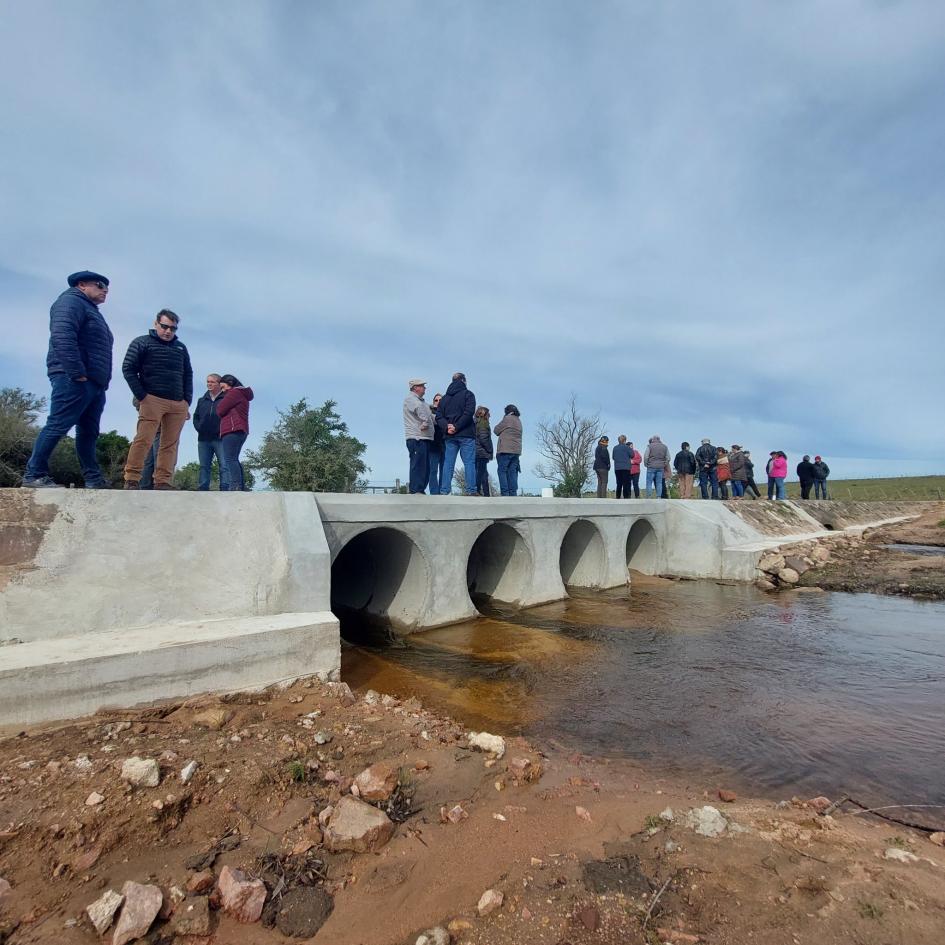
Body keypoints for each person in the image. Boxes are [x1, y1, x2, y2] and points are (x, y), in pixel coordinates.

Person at [22, 271, 114, 488]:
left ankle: (93, 479)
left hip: (94, 382)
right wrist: (76, 372)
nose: (105, 291)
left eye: (107, 288)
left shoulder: (91, 309)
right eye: (100, 285)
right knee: (58, 424)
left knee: (88, 432)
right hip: (73, 377)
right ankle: (34, 474)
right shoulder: (70, 302)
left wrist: (102, 381)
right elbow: (62, 335)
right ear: (81, 284)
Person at [122, 309, 193, 489]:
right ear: (156, 324)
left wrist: (187, 401)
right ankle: (132, 478)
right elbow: (128, 368)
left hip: (177, 403)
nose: (168, 331)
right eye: (165, 326)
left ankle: (163, 481)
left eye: (173, 328)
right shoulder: (141, 342)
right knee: (144, 439)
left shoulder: (181, 348)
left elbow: (188, 374)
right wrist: (142, 396)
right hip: (151, 399)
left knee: (170, 444)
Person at [437, 372, 477, 495]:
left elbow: (439, 416)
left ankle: (444, 491)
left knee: (448, 462)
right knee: (469, 462)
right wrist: (457, 426)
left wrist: (447, 427)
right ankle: (471, 490)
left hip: (450, 435)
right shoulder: (468, 395)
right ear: (464, 381)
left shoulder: (444, 399)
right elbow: (469, 412)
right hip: (466, 433)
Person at [216, 374, 253, 491]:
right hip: (241, 430)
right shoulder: (242, 394)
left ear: (230, 384)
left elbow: (220, 409)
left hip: (232, 429)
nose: (222, 391)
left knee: (230, 459)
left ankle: (235, 485)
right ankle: (240, 485)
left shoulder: (234, 393)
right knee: (234, 458)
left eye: (223, 387)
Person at [193, 373, 228, 491]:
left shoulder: (226, 399)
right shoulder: (202, 400)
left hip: (220, 438)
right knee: (204, 466)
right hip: (203, 439)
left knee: (224, 465)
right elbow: (196, 417)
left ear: (219, 384)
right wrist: (200, 428)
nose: (209, 384)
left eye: (212, 382)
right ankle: (203, 488)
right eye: (208, 381)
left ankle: (225, 489)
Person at [403, 379, 433, 494]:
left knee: (425, 466)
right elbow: (419, 410)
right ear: (415, 388)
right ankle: (415, 489)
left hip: (424, 438)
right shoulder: (411, 399)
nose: (425, 388)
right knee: (418, 463)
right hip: (416, 437)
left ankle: (420, 489)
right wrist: (425, 422)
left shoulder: (422, 402)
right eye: (422, 386)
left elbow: (430, 416)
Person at [493, 404, 522, 497]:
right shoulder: (519, 421)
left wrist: (504, 417)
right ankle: (513, 493)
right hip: (516, 451)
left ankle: (505, 493)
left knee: (502, 471)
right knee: (512, 472)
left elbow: (496, 430)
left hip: (505, 450)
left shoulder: (507, 419)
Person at [474, 406, 494, 496]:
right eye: (488, 413)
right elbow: (484, 438)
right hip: (482, 452)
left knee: (481, 472)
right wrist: (489, 450)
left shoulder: (474, 422)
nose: (489, 415)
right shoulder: (483, 423)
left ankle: (484, 492)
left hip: (475, 451)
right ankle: (479, 491)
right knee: (481, 473)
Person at [428, 392, 445, 494]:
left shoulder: (447, 413)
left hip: (445, 445)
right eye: (436, 400)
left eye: (440, 400)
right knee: (433, 470)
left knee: (444, 471)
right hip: (433, 445)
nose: (438, 402)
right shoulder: (429, 413)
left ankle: (443, 492)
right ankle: (434, 492)